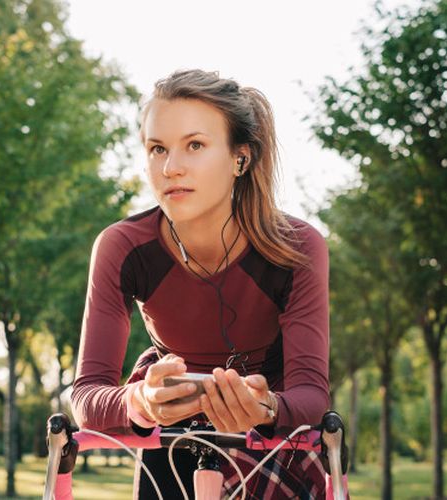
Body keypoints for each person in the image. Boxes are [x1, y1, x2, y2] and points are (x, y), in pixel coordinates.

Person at [71, 69, 330, 499]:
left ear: (239, 159)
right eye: (157, 149)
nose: (171, 168)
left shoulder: (298, 247)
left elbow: (311, 395)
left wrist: (265, 407)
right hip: (169, 426)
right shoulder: (121, 247)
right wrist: (140, 402)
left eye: (195, 145)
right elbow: (86, 396)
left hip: (274, 428)